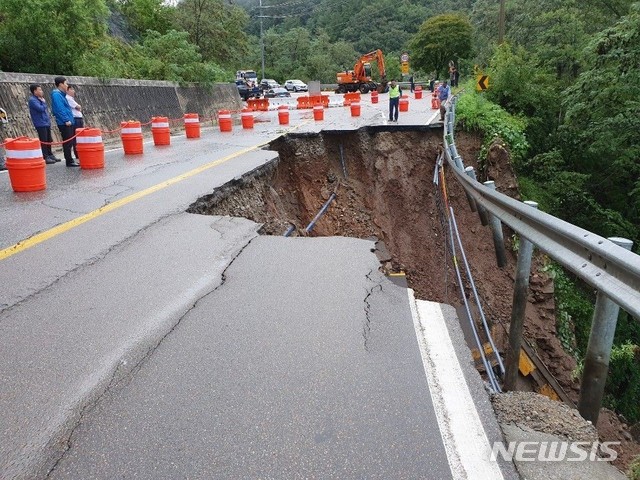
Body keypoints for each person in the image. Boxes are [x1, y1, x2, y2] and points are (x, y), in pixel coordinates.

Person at [50, 77, 79, 167]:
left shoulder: (61, 94)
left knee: (69, 142)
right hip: (64, 122)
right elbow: (60, 109)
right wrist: (66, 120)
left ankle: (70, 159)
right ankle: (69, 161)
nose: (67, 85)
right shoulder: (56, 95)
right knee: (67, 142)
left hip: (69, 121)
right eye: (65, 83)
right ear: (61, 84)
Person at [28, 84, 60, 164]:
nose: (41, 91)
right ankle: (45, 156)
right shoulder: (33, 100)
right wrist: (43, 103)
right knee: (44, 140)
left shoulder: (40, 99)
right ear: (35, 91)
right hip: (40, 123)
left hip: (46, 122)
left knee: (49, 139)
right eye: (39, 90)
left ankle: (50, 154)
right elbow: (40, 109)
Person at [66, 85, 83, 160]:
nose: (73, 91)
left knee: (79, 137)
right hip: (75, 119)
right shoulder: (68, 98)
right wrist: (79, 106)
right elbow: (78, 107)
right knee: (76, 137)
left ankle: (79, 153)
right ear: (68, 90)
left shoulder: (71, 99)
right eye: (72, 89)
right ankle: (77, 154)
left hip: (78, 118)